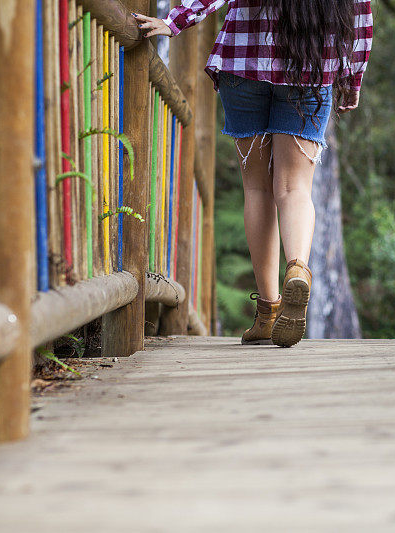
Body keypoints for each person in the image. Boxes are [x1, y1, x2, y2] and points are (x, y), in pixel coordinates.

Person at [133, 0, 372, 347]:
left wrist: (174, 22)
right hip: (310, 66)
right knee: (294, 189)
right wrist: (351, 81)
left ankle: (268, 311)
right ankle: (297, 267)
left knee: (257, 189)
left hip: (243, 63)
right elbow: (361, 16)